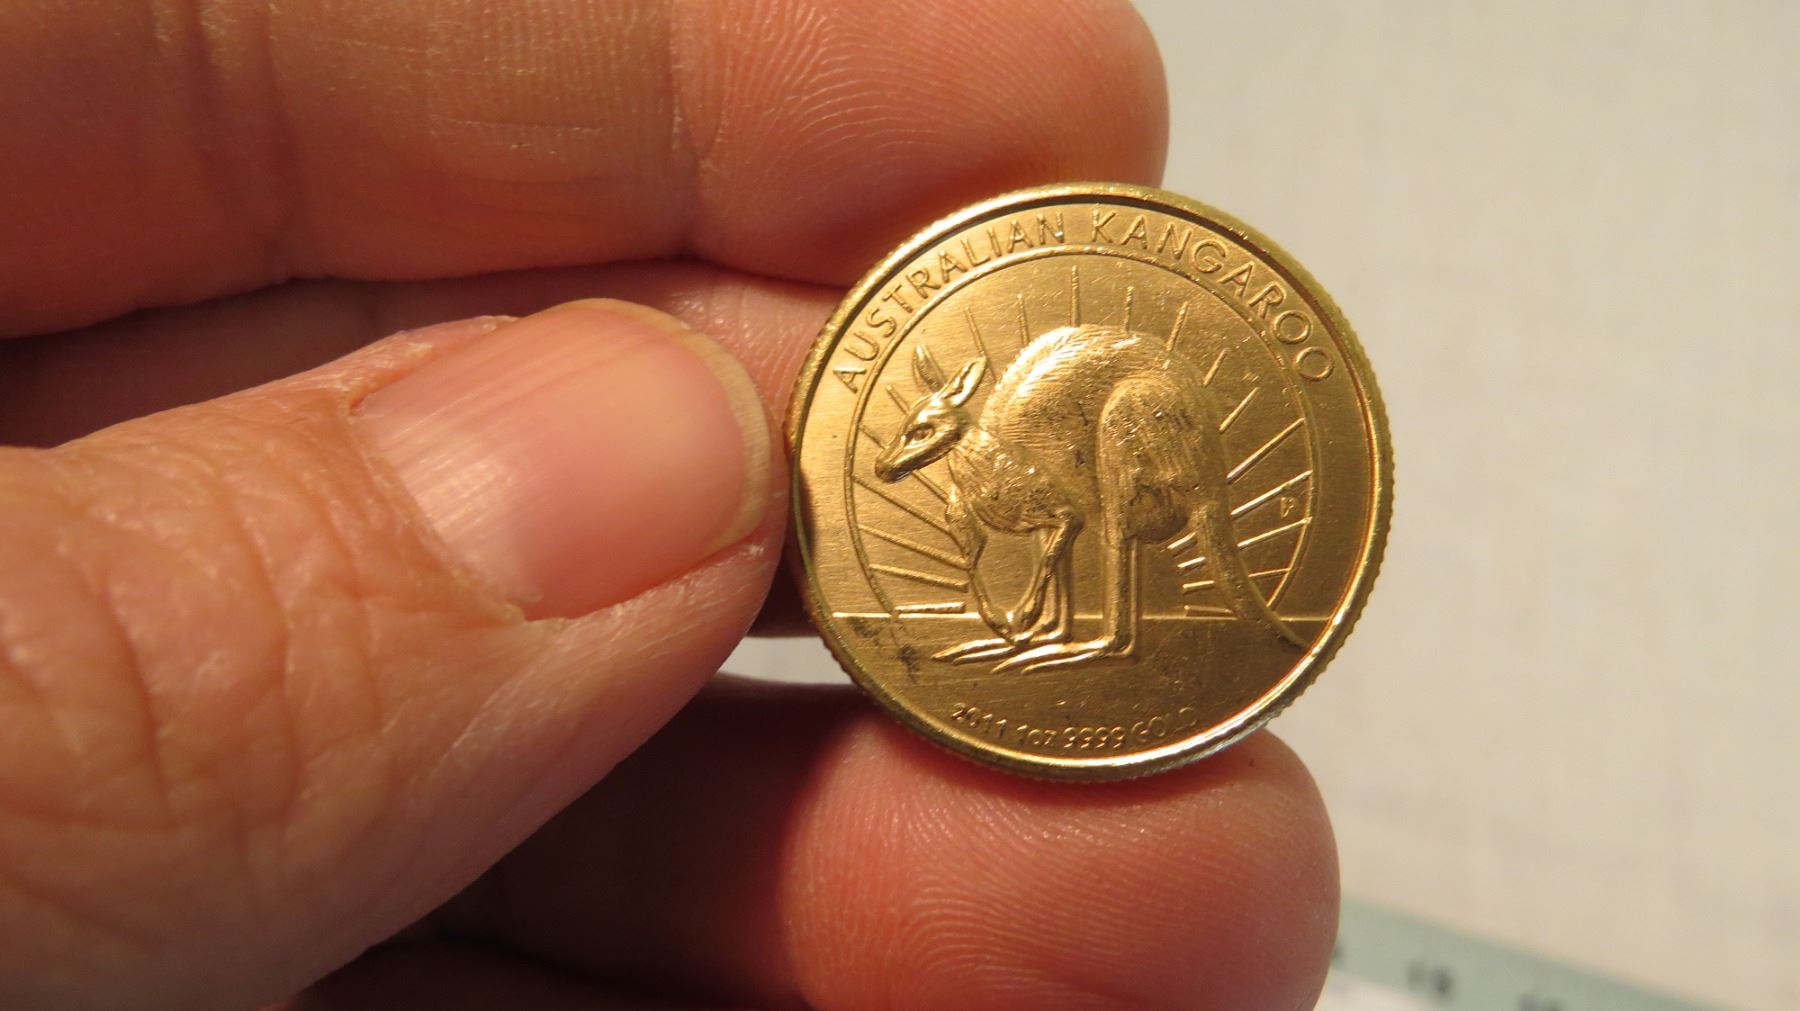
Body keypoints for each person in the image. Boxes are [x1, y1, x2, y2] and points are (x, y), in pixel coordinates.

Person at [0, 1, 1336, 1007]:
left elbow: (1059, 501)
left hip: (1136, 430)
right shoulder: (985, 460)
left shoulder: (1042, 436)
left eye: (928, 445)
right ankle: (1080, 620)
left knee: (1092, 489)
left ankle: (1111, 629)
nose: (918, 463)